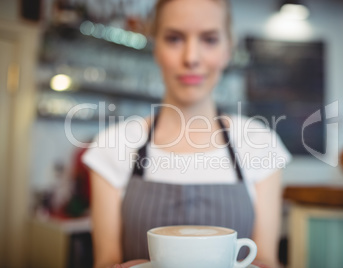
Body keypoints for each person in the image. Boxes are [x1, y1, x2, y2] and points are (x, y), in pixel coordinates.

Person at [82, 0, 292, 267]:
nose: (191, 57)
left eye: (210, 39)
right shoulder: (112, 146)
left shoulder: (261, 144)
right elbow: (106, 262)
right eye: (174, 39)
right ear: (154, 46)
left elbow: (265, 260)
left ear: (228, 48)